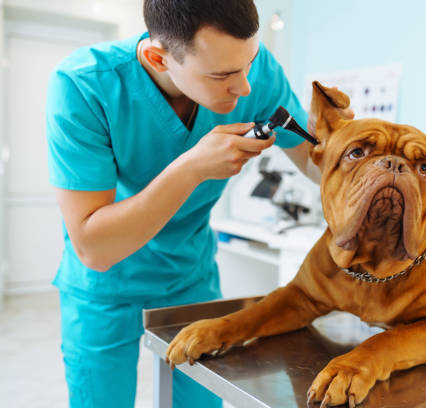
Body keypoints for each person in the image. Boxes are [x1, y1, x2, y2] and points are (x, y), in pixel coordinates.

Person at [45, 0, 319, 407]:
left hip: (189, 280)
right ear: (159, 58)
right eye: (222, 75)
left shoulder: (252, 72)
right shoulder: (84, 85)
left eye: (250, 63)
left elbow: (316, 161)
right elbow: (94, 248)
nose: (245, 87)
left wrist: (350, 145)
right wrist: (191, 167)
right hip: (105, 285)